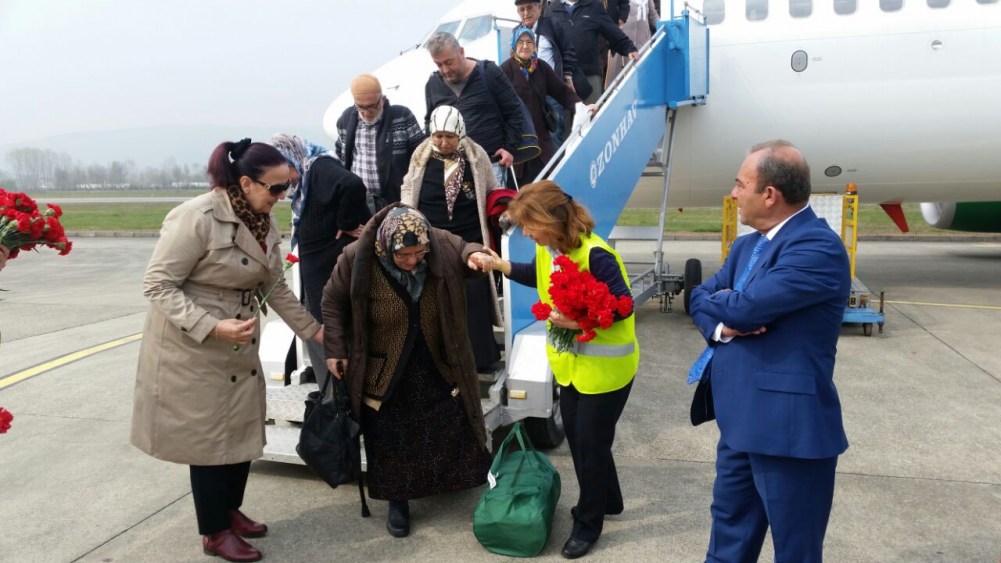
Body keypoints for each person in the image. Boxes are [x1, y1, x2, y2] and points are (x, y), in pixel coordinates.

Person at [131, 139, 324, 563]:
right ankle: (214, 531)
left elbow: (274, 289)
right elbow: (157, 286)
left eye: (287, 188)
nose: (281, 198)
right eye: (274, 189)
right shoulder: (195, 217)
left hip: (237, 340)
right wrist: (212, 325)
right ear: (244, 182)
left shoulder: (261, 221)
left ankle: (229, 511)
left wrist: (317, 333)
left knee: (238, 430)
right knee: (209, 439)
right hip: (192, 345)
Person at [688, 140, 851, 562]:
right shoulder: (746, 247)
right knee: (728, 539)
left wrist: (728, 307)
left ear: (769, 194)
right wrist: (724, 323)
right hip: (739, 421)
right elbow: (699, 296)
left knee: (795, 550)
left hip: (788, 433)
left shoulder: (817, 247)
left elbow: (748, 307)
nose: (733, 193)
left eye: (740, 184)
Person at [479, 180, 638, 559]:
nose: (527, 233)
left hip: (606, 373)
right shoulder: (552, 250)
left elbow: (625, 305)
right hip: (571, 368)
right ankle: (609, 501)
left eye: (529, 225)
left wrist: (580, 320)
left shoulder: (597, 256)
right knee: (587, 443)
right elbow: (537, 274)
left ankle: (588, 523)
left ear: (550, 219)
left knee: (589, 446)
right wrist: (498, 264)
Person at [321, 205, 497, 538]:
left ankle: (450, 482)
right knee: (390, 432)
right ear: (387, 245)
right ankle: (397, 501)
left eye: (420, 254)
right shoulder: (356, 256)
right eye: (404, 255)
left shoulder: (439, 241)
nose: (413, 261)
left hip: (435, 355)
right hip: (384, 362)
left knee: (446, 417)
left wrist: (474, 256)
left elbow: (466, 249)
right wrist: (335, 350)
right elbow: (332, 301)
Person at [400, 105, 505, 371]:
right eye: (438, 136)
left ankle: (481, 359)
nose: (443, 142)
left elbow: (491, 188)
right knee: (434, 296)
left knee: (474, 293)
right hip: (432, 238)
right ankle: (438, 358)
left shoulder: (476, 154)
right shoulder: (421, 154)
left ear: (460, 133)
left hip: (470, 235)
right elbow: (409, 187)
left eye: (449, 136)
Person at [268, 134, 371, 388]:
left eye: (285, 171)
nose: (284, 181)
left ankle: (337, 390)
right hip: (318, 263)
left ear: (293, 159)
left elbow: (352, 185)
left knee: (327, 320)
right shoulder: (307, 172)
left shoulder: (320, 167)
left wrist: (345, 224)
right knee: (319, 319)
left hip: (328, 263)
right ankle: (332, 387)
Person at [424, 31, 532, 187]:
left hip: (491, 165)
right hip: (453, 169)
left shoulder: (488, 72)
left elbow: (514, 112)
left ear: (461, 52)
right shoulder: (433, 84)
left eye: (449, 62)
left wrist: (509, 148)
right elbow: (430, 122)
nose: (445, 70)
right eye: (439, 64)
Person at [501, 26, 591, 186]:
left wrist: (581, 106)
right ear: (514, 45)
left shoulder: (541, 67)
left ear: (534, 46)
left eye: (529, 42)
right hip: (518, 143)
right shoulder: (505, 70)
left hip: (541, 139)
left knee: (545, 187)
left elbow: (562, 92)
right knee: (521, 195)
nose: (525, 46)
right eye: (520, 42)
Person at [334, 74, 426, 214]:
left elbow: (422, 157)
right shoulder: (346, 120)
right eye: (360, 107)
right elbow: (340, 158)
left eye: (371, 107)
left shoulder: (402, 116)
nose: (366, 112)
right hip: (359, 203)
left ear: (382, 99)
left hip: (397, 203)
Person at [514, 0, 583, 145]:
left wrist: (568, 77)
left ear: (539, 8)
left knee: (554, 134)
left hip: (552, 91)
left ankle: (557, 167)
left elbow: (568, 51)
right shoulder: (516, 33)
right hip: (529, 95)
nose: (526, 13)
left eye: (529, 8)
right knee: (533, 135)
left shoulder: (552, 24)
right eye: (521, 9)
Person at [545, 0, 639, 103]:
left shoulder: (594, 6)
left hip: (589, 75)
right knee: (565, 118)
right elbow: (544, 42)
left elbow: (612, 31)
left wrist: (629, 48)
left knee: (593, 116)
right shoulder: (551, 10)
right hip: (562, 77)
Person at [604, 0, 659, 87]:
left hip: (642, 42)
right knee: (617, 75)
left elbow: (652, 15)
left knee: (640, 77)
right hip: (622, 43)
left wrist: (663, 27)